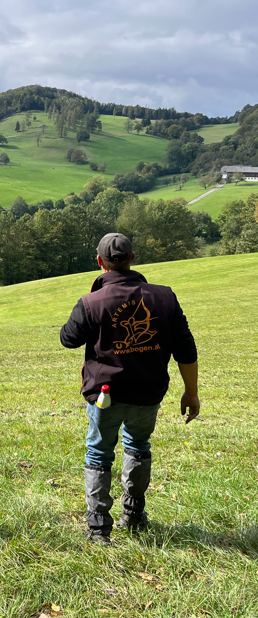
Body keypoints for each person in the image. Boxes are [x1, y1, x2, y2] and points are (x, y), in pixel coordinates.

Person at [60, 233, 200, 544]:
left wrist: (92, 301)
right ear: (134, 259)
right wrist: (191, 392)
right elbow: (186, 350)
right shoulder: (165, 297)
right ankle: (134, 515)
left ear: (100, 262)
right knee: (138, 446)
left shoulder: (90, 303)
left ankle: (98, 530)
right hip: (149, 394)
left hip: (104, 395)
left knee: (99, 453)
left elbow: (68, 338)